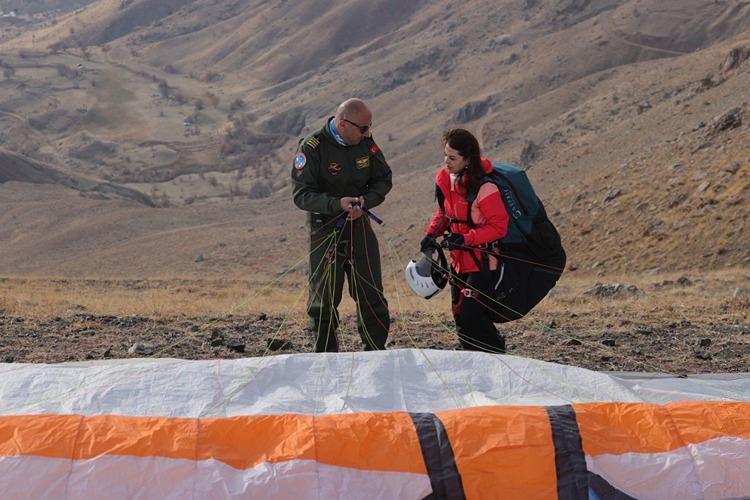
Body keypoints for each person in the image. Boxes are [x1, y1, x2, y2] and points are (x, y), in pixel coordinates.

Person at [291, 98, 392, 352]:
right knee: (323, 296)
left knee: (370, 289)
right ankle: (326, 355)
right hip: (325, 228)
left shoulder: (365, 143)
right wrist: (336, 204)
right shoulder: (313, 147)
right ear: (343, 124)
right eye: (363, 129)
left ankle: (375, 351)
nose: (367, 134)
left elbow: (383, 179)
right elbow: (301, 194)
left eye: (369, 128)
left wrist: (365, 201)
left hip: (358, 224)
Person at [421, 128, 509, 353]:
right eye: (445, 155)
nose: (446, 162)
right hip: (458, 260)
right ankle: (470, 359)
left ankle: (498, 356)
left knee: (471, 314)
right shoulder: (445, 181)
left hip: (482, 263)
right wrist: (431, 235)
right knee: (459, 313)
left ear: (467, 159)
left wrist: (467, 238)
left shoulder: (485, 188)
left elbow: (499, 227)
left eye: (452, 158)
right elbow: (444, 213)